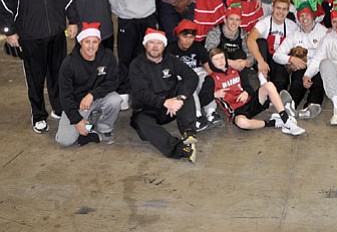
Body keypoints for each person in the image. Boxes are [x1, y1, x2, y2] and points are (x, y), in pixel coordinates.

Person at [0, 0, 79, 133]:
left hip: (56, 32)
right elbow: (4, 3)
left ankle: (58, 107)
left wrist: (72, 21)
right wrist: (9, 31)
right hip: (30, 34)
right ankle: (38, 114)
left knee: (57, 73)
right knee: (35, 77)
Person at [129, 29, 199, 162]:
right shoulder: (137, 65)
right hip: (148, 109)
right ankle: (179, 149)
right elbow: (141, 93)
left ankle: (188, 131)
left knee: (184, 88)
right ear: (145, 44)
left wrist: (180, 98)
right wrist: (164, 102)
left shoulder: (170, 59)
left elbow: (191, 76)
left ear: (164, 45)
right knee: (141, 123)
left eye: (159, 43)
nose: (155, 47)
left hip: (171, 108)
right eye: (151, 42)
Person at [107, 0, 159, 107]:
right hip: (127, 19)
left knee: (148, 54)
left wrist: (146, 7)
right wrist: (123, 10)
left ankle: (145, 89)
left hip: (147, 16)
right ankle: (124, 91)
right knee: (126, 56)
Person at [209, 48, 304, 135]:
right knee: (242, 123)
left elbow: (248, 87)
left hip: (251, 101)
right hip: (237, 111)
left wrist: (246, 92)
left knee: (269, 85)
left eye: (222, 57)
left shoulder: (236, 69)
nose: (220, 61)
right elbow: (203, 98)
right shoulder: (210, 79)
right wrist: (214, 94)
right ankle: (275, 123)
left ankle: (286, 119)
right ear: (211, 62)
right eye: (216, 59)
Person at [56, 23, 121, 147]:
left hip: (98, 98)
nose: (91, 46)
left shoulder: (107, 56)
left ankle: (104, 128)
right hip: (77, 104)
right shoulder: (69, 63)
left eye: (95, 42)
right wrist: (77, 120)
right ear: (81, 42)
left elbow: (113, 82)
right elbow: (65, 96)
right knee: (65, 141)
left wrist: (92, 95)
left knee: (115, 100)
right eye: (87, 42)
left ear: (99, 42)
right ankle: (89, 124)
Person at [273, 2, 328, 119]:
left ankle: (311, 106)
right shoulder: (295, 34)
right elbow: (276, 55)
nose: (304, 18)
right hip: (301, 67)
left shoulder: (323, 32)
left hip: (318, 66)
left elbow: (324, 55)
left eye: (307, 15)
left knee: (318, 81)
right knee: (297, 80)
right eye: (301, 16)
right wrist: (291, 59)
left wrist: (308, 69)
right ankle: (291, 105)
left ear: (313, 16)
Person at [167, 19, 222, 132]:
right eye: (184, 37)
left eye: (191, 37)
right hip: (180, 77)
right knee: (189, 83)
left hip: (196, 72)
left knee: (207, 79)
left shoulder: (197, 47)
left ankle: (211, 111)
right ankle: (196, 115)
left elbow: (207, 67)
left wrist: (215, 81)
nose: (188, 41)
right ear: (178, 36)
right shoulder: (170, 49)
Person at [246, 0, 298, 92]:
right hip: (265, 58)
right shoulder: (264, 22)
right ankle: (262, 77)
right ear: (272, 7)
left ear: (288, 11)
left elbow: (300, 45)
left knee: (281, 82)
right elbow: (250, 40)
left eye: (284, 9)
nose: (281, 12)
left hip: (280, 59)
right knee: (260, 42)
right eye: (278, 8)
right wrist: (261, 61)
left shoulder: (293, 26)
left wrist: (293, 62)